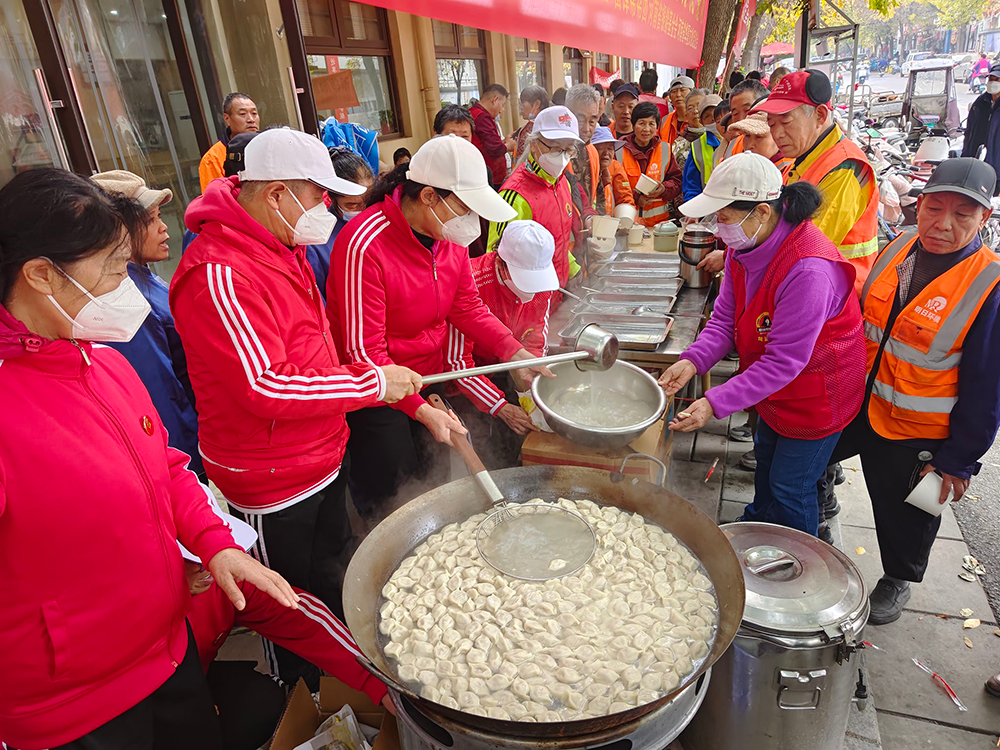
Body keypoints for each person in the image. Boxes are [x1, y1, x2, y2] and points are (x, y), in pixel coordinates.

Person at [0, 168, 297, 750]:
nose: (125, 283)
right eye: (112, 267)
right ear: (39, 274)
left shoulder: (103, 363)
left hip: (166, 654)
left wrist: (213, 544)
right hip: (73, 707)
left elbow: (164, 465)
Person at [170, 128, 422, 690]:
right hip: (268, 475)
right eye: (318, 195)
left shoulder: (283, 245)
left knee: (328, 580)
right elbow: (266, 385)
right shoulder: (220, 273)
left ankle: (344, 681)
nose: (326, 209)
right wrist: (370, 385)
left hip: (318, 455)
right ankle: (302, 699)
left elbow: (310, 353)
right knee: (282, 604)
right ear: (277, 193)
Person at [328, 134, 551, 524]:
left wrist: (515, 352)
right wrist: (417, 409)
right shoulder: (364, 246)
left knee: (429, 484)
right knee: (393, 498)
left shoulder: (447, 236)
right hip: (378, 391)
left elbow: (467, 306)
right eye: (465, 209)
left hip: (428, 375)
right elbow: (364, 354)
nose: (472, 224)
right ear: (429, 196)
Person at [823, 158, 1000, 625]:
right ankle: (824, 502)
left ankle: (899, 578)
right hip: (858, 401)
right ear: (916, 205)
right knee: (809, 456)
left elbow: (987, 389)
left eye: (962, 215)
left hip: (916, 427)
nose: (943, 224)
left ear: (984, 219)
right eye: (934, 207)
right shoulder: (898, 246)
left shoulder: (989, 284)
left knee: (907, 509)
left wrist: (958, 460)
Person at [659, 153, 866, 537]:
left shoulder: (808, 269)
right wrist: (692, 361)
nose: (719, 231)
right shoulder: (744, 247)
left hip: (817, 394)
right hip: (774, 389)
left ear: (761, 212)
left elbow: (784, 361)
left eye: (723, 217)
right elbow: (724, 320)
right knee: (768, 462)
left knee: (792, 486)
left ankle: (802, 565)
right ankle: (758, 526)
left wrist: (714, 402)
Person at [183, 502, 393, 750]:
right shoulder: (135, 614)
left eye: (214, 555)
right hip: (145, 703)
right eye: (194, 559)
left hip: (196, 676)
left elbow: (298, 617)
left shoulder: (222, 578)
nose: (208, 566)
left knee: (264, 703)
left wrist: (378, 681)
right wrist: (186, 703)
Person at [89, 170, 205, 481]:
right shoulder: (123, 296)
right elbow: (158, 393)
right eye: (152, 219)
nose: (164, 227)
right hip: (174, 454)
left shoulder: (140, 275)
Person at [752, 69, 879, 294]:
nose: (777, 134)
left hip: (832, 298)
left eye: (786, 121)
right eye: (771, 124)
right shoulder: (803, 158)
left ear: (820, 116)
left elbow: (807, 247)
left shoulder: (845, 167)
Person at [446, 220, 559, 466]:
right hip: (466, 377)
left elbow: (536, 337)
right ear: (501, 263)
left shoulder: (543, 283)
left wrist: (530, 384)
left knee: (513, 440)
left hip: (508, 364)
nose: (531, 292)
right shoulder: (471, 281)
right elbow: (458, 364)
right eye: (523, 279)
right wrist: (500, 406)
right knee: (479, 446)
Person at [488, 107, 584, 286]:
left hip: (557, 293)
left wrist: (572, 268)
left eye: (568, 150)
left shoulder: (562, 183)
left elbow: (558, 241)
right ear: (534, 144)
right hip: (528, 299)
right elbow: (497, 262)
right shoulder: (514, 196)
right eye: (555, 148)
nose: (562, 158)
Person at [305, 147, 376, 301]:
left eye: (368, 202)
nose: (362, 210)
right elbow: (320, 298)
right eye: (352, 205)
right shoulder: (318, 240)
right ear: (332, 197)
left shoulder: (381, 225)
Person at [616, 101, 683, 227]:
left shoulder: (665, 149)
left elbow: (677, 181)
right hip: (628, 225)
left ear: (657, 127)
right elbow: (613, 185)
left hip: (659, 226)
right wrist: (636, 197)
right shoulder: (619, 150)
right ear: (633, 125)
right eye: (642, 123)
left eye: (651, 124)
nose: (647, 129)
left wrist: (663, 189)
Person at [199, 92, 259, 193]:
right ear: (227, 119)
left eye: (254, 113)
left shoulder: (268, 146)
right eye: (242, 114)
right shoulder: (213, 158)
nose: (251, 119)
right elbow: (214, 200)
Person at [565, 83, 604, 212]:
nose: (586, 129)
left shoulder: (592, 151)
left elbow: (598, 193)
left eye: (592, 121)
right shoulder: (553, 151)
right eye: (580, 121)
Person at [961, 62, 1000, 185]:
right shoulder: (980, 102)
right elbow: (970, 132)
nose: (993, 82)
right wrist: (965, 156)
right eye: (991, 78)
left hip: (996, 169)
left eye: (998, 79)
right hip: (975, 165)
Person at [683, 94, 723, 201]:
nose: (713, 119)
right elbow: (691, 184)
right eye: (707, 116)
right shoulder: (697, 146)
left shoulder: (740, 138)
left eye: (716, 113)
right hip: (708, 207)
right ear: (702, 122)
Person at [471, 83, 510, 187]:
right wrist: (507, 146)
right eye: (502, 105)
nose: (502, 110)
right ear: (495, 100)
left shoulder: (474, 113)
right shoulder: (482, 117)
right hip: (490, 177)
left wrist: (503, 142)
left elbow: (486, 143)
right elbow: (494, 148)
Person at [591, 126, 635, 215]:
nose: (606, 153)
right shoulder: (583, 171)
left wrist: (626, 218)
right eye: (600, 148)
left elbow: (625, 198)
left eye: (610, 148)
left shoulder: (615, 167)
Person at [728, 111, 792, 170]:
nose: (750, 145)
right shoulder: (740, 166)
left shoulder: (788, 171)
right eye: (747, 135)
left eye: (759, 137)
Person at [511, 85, 550, 160]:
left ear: (537, 104)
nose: (521, 107)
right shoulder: (550, 123)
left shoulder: (531, 127)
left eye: (523, 103)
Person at [661, 75, 694, 145]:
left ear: (692, 93)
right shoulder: (665, 120)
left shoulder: (697, 119)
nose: (678, 95)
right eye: (674, 91)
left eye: (682, 90)